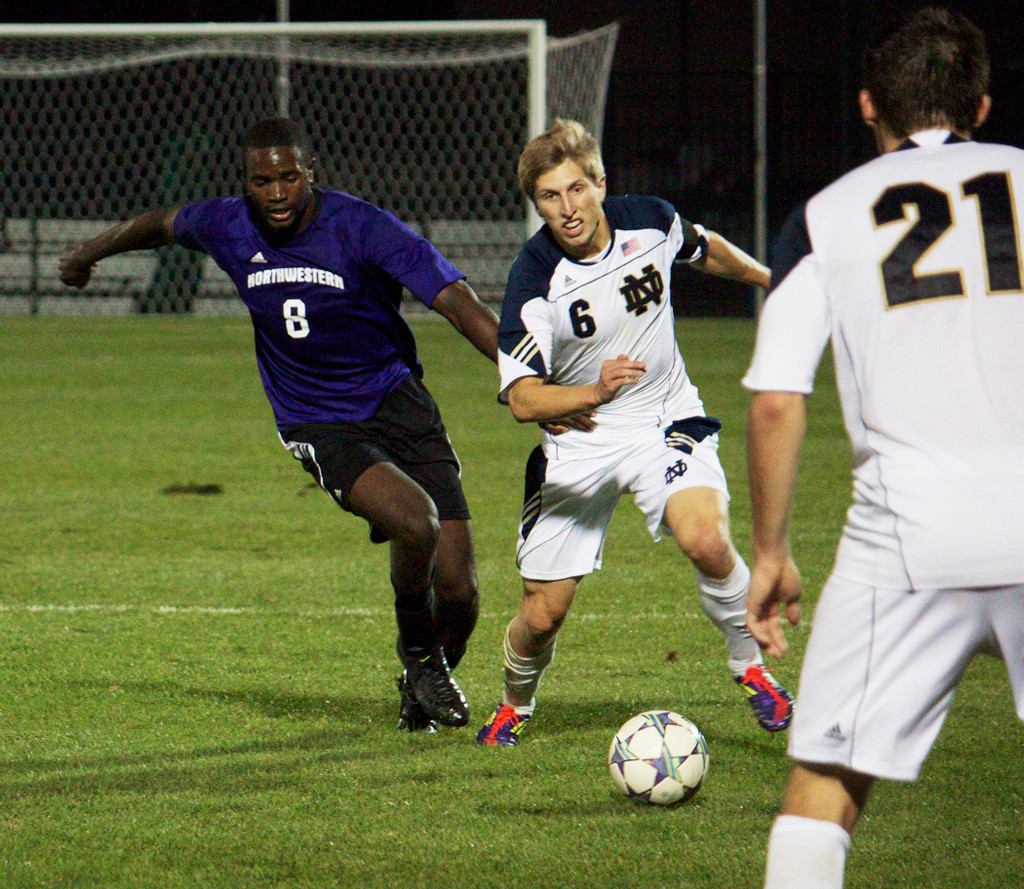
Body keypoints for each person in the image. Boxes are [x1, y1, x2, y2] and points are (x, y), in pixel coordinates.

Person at [59, 116, 501, 733]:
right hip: (316, 418)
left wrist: (521, 373)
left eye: (288, 177)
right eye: (261, 180)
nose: (275, 192)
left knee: (459, 590)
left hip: (399, 401)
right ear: (246, 182)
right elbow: (160, 224)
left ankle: (421, 686)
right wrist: (87, 253)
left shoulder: (360, 225)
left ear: (309, 173)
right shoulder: (227, 223)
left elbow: (454, 298)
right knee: (415, 521)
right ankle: (421, 658)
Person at [743, 8, 1024, 888]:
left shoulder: (825, 217)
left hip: (906, 533)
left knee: (823, 783)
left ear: (870, 106)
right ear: (980, 104)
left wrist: (772, 552)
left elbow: (779, 400)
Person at [475, 118, 795, 747]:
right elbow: (521, 398)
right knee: (543, 615)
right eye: (549, 196)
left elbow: (705, 248)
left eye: (576, 189)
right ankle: (516, 703)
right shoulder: (534, 278)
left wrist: (771, 281)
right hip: (580, 444)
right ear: (535, 204)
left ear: (600, 182)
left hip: (662, 421)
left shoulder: (650, 219)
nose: (566, 209)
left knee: (705, 538)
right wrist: (592, 390)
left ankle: (751, 666)